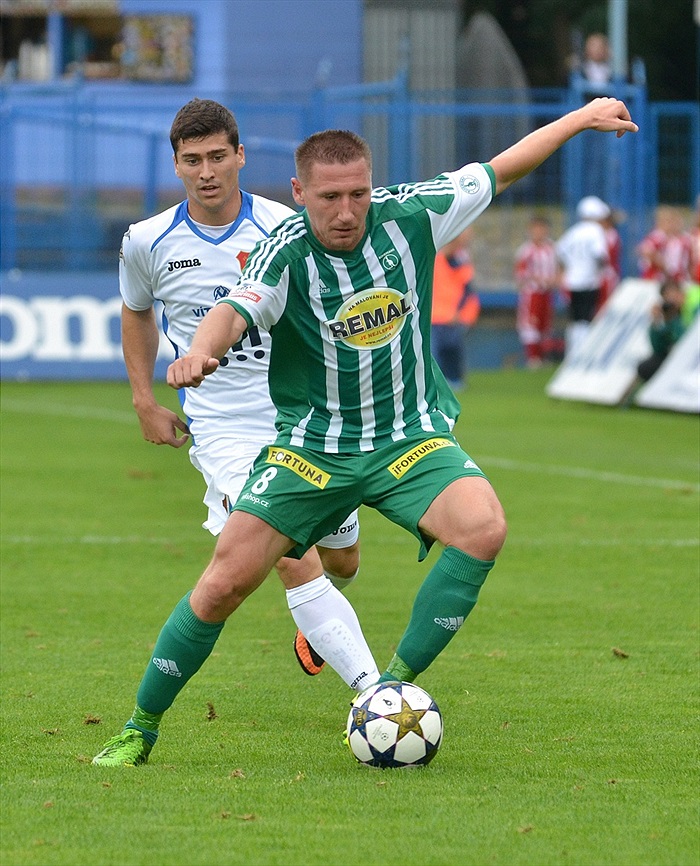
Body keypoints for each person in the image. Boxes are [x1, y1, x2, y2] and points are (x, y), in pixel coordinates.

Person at [93, 96, 637, 767]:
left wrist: (581, 118)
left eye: (357, 194)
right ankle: (139, 727)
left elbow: (500, 170)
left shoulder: (413, 213)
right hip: (313, 449)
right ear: (300, 194)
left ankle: (393, 691)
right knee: (223, 584)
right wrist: (201, 352)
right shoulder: (281, 249)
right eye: (329, 198)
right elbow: (233, 311)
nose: (345, 212)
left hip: (408, 438)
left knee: (482, 525)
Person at [119, 99, 368, 682]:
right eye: (192, 160)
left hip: (305, 418)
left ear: (240, 156)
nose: (206, 171)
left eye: (217, 156)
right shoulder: (146, 241)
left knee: (342, 558)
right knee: (289, 555)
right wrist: (143, 399)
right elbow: (136, 313)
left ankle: (318, 625)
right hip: (223, 427)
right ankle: (376, 696)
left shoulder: (285, 227)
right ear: (177, 166)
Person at [556, 195, 611, 357]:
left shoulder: (574, 231)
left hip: (572, 280)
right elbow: (599, 254)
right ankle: (583, 353)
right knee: (586, 317)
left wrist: (568, 268)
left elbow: (559, 250)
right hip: (589, 280)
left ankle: (572, 352)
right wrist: (600, 268)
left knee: (575, 318)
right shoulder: (596, 231)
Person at [431, 227, 480, 388]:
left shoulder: (460, 262)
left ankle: (454, 380)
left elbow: (468, 292)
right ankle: (437, 383)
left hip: (453, 317)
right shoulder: (435, 258)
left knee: (453, 350)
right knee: (434, 353)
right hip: (434, 316)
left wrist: (461, 314)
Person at [514, 214, 560, 368]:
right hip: (532, 293)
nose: (540, 232)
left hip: (547, 293)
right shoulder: (526, 251)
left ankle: (543, 357)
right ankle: (533, 359)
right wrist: (538, 280)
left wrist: (556, 279)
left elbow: (559, 267)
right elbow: (521, 274)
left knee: (545, 325)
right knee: (530, 324)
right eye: (536, 229)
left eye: (543, 229)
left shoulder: (552, 248)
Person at [637, 206, 694, 285]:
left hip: (680, 279)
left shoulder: (685, 239)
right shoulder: (658, 236)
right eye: (670, 221)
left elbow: (689, 261)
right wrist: (664, 266)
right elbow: (646, 250)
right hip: (657, 279)